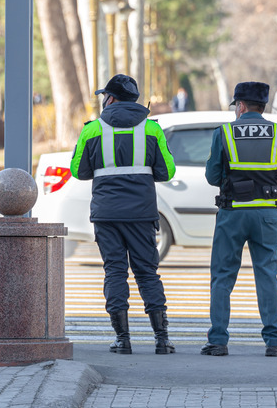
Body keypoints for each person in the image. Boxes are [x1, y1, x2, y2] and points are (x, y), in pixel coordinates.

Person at [70, 74, 177, 355]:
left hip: (106, 215)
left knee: (115, 271)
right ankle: (162, 339)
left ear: (111, 98)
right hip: (141, 215)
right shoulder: (152, 130)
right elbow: (168, 171)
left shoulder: (92, 130)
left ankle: (123, 339)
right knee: (147, 273)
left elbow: (78, 171)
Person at [201, 81, 277, 357]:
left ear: (241, 106)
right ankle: (274, 342)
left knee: (222, 276)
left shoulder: (225, 133)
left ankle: (218, 341)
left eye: (236, 106)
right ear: (262, 105)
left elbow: (212, 177)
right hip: (267, 214)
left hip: (232, 213)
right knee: (267, 274)